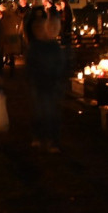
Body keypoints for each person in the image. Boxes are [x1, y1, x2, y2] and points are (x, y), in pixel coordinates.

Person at [26, 12, 65, 153]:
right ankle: (41, 137)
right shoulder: (38, 46)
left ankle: (50, 139)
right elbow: (31, 64)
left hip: (50, 83)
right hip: (41, 82)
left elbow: (60, 65)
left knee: (50, 113)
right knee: (40, 111)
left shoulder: (53, 46)